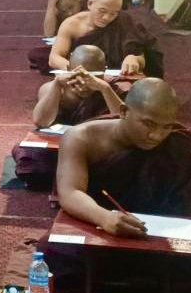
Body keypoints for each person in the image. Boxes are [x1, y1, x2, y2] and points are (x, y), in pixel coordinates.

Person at [54, 78, 191, 289]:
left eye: (166, 126)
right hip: (103, 230)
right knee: (58, 254)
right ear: (124, 111)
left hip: (161, 236)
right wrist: (104, 218)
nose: (156, 136)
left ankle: (127, 286)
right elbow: (70, 192)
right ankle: (166, 287)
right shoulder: (82, 138)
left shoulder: (181, 146)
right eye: (148, 124)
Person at [11, 45, 123, 190]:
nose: (84, 83)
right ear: (69, 69)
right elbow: (41, 121)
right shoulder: (53, 87)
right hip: (59, 149)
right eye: (78, 76)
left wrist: (105, 89)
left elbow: (124, 122)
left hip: (96, 149)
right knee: (28, 154)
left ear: (104, 71)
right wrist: (57, 86)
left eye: (92, 76)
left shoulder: (112, 88)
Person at [48, 0, 158, 76]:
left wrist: (134, 59)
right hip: (80, 75)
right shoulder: (72, 24)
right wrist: (76, 68)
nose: (106, 18)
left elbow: (141, 58)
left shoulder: (123, 22)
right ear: (90, 4)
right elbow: (54, 58)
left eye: (113, 13)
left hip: (116, 75)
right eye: (102, 11)